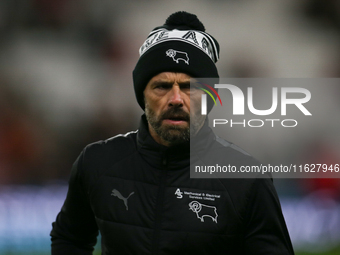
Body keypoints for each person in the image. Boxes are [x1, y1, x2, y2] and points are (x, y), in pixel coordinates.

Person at [50, 11, 295, 255]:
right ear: (142, 95)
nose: (176, 99)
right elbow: (69, 238)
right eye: (162, 86)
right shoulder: (97, 162)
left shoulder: (248, 180)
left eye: (189, 87)